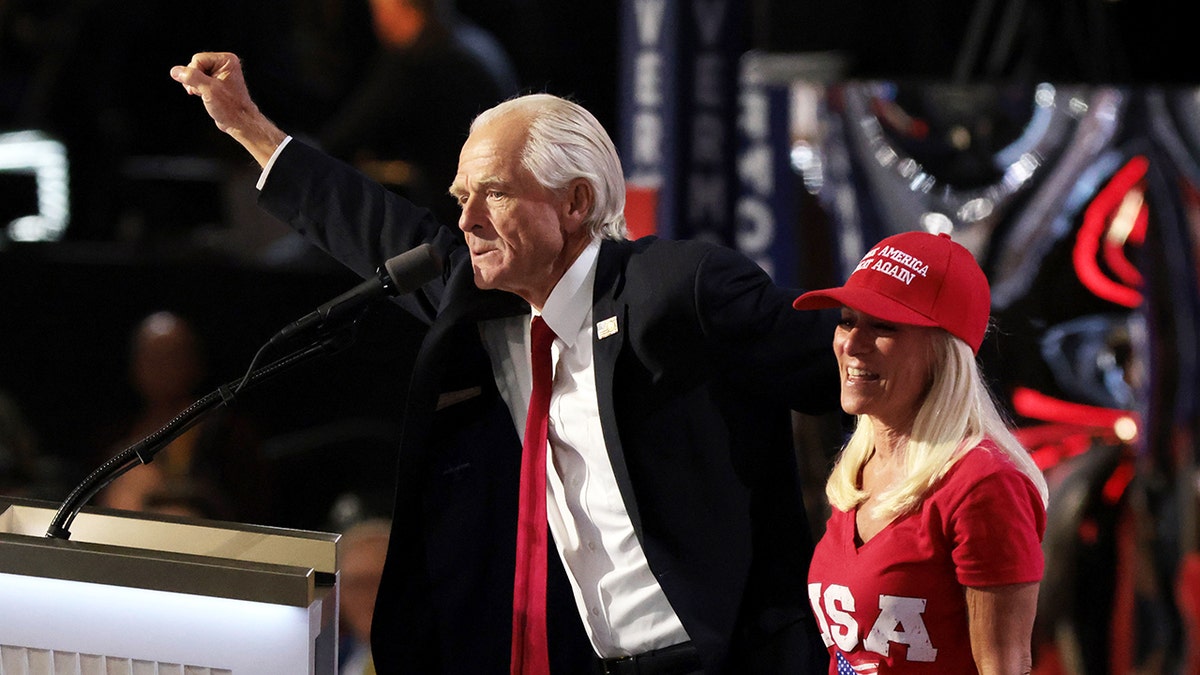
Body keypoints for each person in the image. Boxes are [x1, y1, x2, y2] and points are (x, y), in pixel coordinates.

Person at [170, 51, 840, 674]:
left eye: (492, 191)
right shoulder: (486, 306)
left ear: (576, 202)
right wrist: (249, 127)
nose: (466, 220)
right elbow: (368, 221)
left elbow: (843, 363)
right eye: (462, 196)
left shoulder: (675, 289)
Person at [792, 231, 1050, 674]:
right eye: (847, 321)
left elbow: (1005, 664)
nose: (852, 344)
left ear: (943, 352)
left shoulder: (984, 485)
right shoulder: (857, 476)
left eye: (883, 326)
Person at [315, 0, 520, 227]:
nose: (377, 20)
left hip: (453, 220)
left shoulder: (420, 59)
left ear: (399, 7)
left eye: (379, 9)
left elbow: (341, 139)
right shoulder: (473, 39)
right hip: (500, 206)